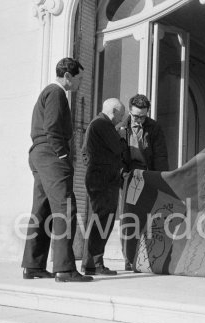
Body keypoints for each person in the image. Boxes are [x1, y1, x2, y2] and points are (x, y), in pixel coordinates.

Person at [22, 57, 93, 283]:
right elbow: (53, 127)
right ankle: (65, 269)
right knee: (65, 209)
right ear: (68, 76)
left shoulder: (48, 93)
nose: (80, 84)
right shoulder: (57, 92)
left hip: (39, 154)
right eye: (79, 79)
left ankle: (33, 266)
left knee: (42, 210)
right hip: (51, 155)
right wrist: (63, 154)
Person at [116, 94, 168, 270]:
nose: (139, 120)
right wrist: (121, 174)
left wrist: (160, 178)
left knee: (150, 218)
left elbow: (161, 156)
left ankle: (149, 257)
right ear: (130, 111)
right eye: (136, 116)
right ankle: (129, 259)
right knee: (129, 219)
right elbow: (115, 155)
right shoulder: (120, 127)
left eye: (143, 116)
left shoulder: (154, 128)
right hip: (128, 178)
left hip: (148, 176)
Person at [81, 98, 128, 276]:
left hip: (99, 177)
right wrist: (122, 138)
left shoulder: (95, 124)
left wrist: (93, 167)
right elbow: (117, 148)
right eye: (121, 115)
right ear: (114, 111)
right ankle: (94, 263)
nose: (121, 119)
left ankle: (91, 263)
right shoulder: (103, 124)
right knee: (102, 221)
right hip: (104, 180)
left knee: (100, 219)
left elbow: (85, 152)